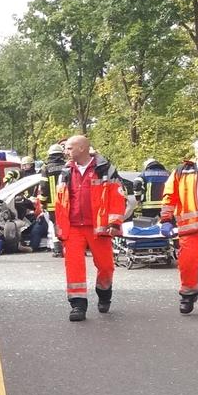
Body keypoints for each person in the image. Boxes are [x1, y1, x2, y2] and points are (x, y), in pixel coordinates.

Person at [55, 135, 126, 321]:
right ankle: (78, 305)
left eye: (69, 148)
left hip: (99, 227)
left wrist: (114, 223)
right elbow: (60, 201)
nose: (66, 151)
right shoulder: (66, 171)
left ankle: (104, 293)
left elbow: (117, 197)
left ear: (82, 148)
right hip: (73, 228)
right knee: (74, 267)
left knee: (106, 266)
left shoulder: (105, 170)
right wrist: (60, 226)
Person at [159, 135, 198, 316]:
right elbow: (169, 196)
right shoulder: (183, 171)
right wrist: (166, 220)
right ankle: (188, 293)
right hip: (192, 226)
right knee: (188, 262)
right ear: (196, 151)